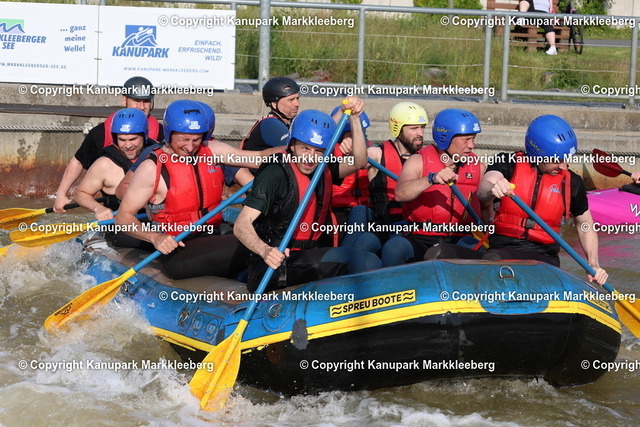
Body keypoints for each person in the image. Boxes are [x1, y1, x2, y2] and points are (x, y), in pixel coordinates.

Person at [115, 100, 274, 280]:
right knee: (252, 244)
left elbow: (259, 158)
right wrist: (154, 237)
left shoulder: (212, 150)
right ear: (169, 134)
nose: (190, 147)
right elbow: (123, 217)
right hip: (178, 249)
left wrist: (295, 149)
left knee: (267, 232)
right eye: (184, 139)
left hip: (211, 234)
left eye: (196, 140)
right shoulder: (151, 168)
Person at [233, 102, 375, 293]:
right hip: (274, 265)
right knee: (351, 258)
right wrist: (265, 251)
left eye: (318, 151)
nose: (310, 157)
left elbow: (360, 161)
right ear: (292, 145)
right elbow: (241, 224)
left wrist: (355, 118)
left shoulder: (322, 167)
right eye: (305, 148)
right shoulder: (275, 173)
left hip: (306, 255)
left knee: (370, 259)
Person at [477, 115, 608, 285]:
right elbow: (484, 190)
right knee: (492, 264)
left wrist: (593, 264)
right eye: (556, 160)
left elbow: (585, 225)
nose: (563, 166)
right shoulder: (508, 164)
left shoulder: (572, 183)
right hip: (503, 250)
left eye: (565, 159)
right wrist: (493, 187)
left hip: (544, 257)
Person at [389, 108, 485, 263]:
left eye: (473, 139)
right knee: (395, 247)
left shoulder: (479, 167)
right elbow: (400, 194)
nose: (472, 145)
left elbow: (486, 210)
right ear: (445, 138)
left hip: (459, 240)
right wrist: (431, 179)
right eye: (466, 140)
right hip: (420, 238)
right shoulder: (417, 161)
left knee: (474, 248)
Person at [54, 76, 162, 212]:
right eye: (136, 101)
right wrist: (61, 194)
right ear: (124, 100)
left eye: (146, 101)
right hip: (115, 201)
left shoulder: (162, 133)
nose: (141, 107)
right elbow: (79, 160)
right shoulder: (101, 133)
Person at [75, 108, 152, 221]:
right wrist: (98, 208)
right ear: (115, 139)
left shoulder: (158, 155)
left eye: (133, 139)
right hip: (119, 227)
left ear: (144, 136)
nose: (128, 146)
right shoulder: (104, 164)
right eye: (122, 140)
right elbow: (80, 194)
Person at [368, 101, 428, 225]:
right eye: (414, 128)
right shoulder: (376, 154)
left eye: (422, 127)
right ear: (398, 129)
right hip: (385, 226)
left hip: (415, 227)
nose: (420, 133)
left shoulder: (427, 158)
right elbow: (355, 160)